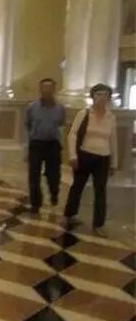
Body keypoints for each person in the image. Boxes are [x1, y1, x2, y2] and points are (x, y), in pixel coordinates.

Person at [64, 84, 118, 237]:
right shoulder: (84, 113)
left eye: (106, 95)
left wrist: (114, 163)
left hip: (103, 158)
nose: (102, 98)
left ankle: (98, 224)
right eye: (99, 94)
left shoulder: (111, 117)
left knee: (100, 190)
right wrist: (73, 155)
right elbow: (72, 134)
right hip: (85, 155)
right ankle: (70, 214)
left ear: (109, 98)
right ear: (93, 96)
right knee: (78, 186)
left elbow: (113, 140)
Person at [25, 78, 66, 214]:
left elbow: (61, 124)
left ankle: (54, 193)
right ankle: (35, 203)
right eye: (44, 87)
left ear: (54, 89)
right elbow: (28, 124)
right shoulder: (32, 107)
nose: (46, 91)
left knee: (54, 174)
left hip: (53, 144)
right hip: (36, 143)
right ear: (40, 89)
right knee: (34, 174)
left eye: (49, 88)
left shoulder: (60, 108)